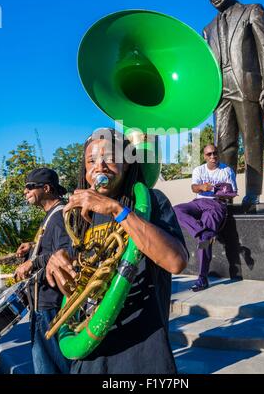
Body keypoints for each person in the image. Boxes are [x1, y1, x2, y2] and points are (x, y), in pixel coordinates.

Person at [45, 128, 188, 374]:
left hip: (141, 355)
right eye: (91, 161)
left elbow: (176, 261)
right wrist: (56, 263)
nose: (99, 166)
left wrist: (115, 209)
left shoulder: (152, 201)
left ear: (127, 164)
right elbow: (75, 287)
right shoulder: (79, 217)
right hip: (88, 355)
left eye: (109, 158)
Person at [203, 0, 264, 206]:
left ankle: (253, 193)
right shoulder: (208, 29)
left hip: (247, 85)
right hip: (220, 91)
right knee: (223, 143)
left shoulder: (252, 11)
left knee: (252, 140)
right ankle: (224, 193)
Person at [14, 167, 71, 374]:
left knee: (52, 367)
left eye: (30, 187)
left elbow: (65, 252)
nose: (25, 192)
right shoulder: (51, 216)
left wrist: (32, 263)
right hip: (41, 303)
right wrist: (32, 246)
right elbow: (51, 247)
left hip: (50, 305)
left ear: (46, 188)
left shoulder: (59, 215)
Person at [174, 144, 237, 292]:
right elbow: (193, 188)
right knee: (176, 210)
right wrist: (203, 187)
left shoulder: (226, 171)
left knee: (203, 242)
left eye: (215, 153)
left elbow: (233, 192)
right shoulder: (199, 170)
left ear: (218, 154)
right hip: (198, 202)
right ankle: (203, 232)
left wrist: (221, 191)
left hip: (217, 204)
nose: (212, 156)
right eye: (209, 154)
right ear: (204, 156)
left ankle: (202, 279)